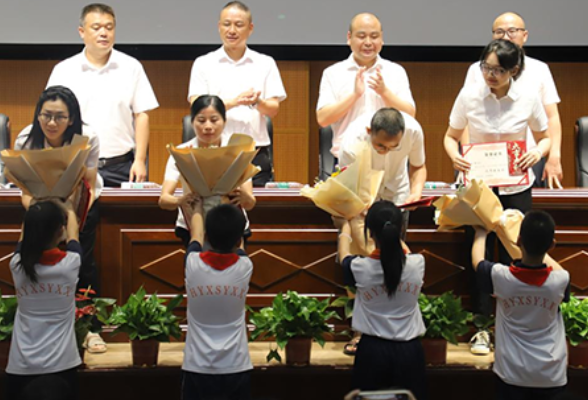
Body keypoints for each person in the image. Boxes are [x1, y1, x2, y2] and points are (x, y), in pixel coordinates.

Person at [444, 39, 550, 354]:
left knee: (517, 253)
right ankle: (481, 328)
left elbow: (545, 138)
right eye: (486, 68)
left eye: (498, 70)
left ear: (513, 70)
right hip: (479, 186)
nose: (490, 75)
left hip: (516, 186)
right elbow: (450, 137)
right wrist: (455, 156)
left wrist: (535, 152)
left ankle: (515, 326)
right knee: (479, 254)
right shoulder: (469, 95)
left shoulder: (528, 97)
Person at [13, 86, 106, 354]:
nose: (51, 123)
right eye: (46, 116)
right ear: (38, 115)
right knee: (34, 265)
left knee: (84, 265)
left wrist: (68, 215)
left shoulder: (87, 137)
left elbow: (87, 183)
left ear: (72, 119)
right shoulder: (25, 140)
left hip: (77, 205)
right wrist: (39, 213)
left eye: (59, 117)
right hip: (39, 209)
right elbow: (25, 191)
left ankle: (90, 329)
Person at [46, 3, 159, 187]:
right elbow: (50, 118)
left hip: (121, 167)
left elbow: (142, 115)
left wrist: (139, 160)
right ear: (82, 32)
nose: (104, 33)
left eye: (109, 27)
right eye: (96, 28)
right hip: (76, 166)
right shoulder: (64, 70)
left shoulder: (131, 67)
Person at [472, 210, 570, 400]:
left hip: (512, 373)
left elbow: (477, 262)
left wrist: (481, 232)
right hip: (550, 374)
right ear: (552, 245)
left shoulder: (501, 277)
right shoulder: (560, 280)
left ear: (519, 241)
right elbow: (559, 270)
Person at [188, 1, 287, 187]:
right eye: (226, 24)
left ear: (250, 29)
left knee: (253, 211)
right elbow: (196, 106)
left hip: (254, 152)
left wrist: (257, 102)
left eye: (239, 25)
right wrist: (234, 102)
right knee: (213, 209)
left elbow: (273, 109)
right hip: (214, 151)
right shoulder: (204, 63)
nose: (232, 30)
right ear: (219, 27)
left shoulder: (265, 63)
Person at [337, 200, 427, 400]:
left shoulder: (360, 268)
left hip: (372, 352)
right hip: (410, 352)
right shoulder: (417, 263)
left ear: (369, 233)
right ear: (401, 229)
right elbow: (399, 250)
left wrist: (345, 225)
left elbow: (344, 255)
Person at [463, 12, 563, 189]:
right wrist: (467, 154)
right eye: (499, 32)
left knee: (520, 213)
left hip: (528, 157)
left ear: (524, 36)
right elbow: (464, 118)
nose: (505, 37)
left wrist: (553, 156)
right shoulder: (477, 70)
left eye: (512, 31)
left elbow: (552, 117)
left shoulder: (539, 69)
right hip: (485, 158)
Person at [6, 200, 81, 400]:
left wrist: (32, 205)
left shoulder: (17, 266)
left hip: (21, 366)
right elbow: (74, 236)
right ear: (60, 230)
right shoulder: (70, 265)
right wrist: (70, 209)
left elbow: (24, 238)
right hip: (61, 365)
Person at [316, 13, 416, 162]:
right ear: (349, 38)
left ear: (382, 39)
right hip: (348, 158)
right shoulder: (333, 73)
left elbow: (410, 115)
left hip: (389, 158)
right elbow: (323, 119)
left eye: (374, 36)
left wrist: (384, 92)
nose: (368, 42)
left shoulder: (395, 71)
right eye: (361, 36)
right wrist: (355, 95)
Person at [159, 95, 256, 248]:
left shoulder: (238, 151)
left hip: (232, 227)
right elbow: (163, 200)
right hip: (192, 225)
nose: (208, 126)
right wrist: (180, 201)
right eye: (201, 120)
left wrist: (244, 197)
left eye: (214, 119)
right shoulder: (181, 152)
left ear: (224, 122)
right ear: (192, 122)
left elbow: (250, 203)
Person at [182, 202, 253, 400]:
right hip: (236, 365)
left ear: (207, 236)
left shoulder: (192, 263)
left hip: (197, 366)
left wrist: (196, 209)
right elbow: (239, 248)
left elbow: (195, 236)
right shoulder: (245, 266)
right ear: (239, 238)